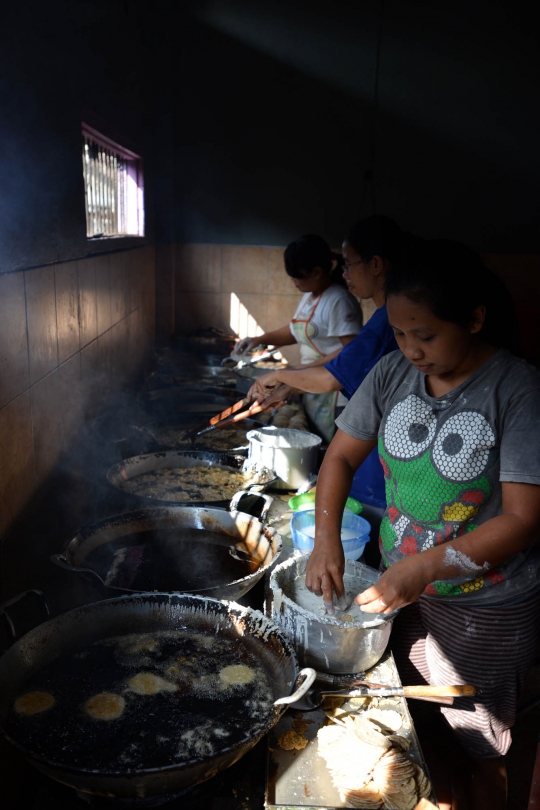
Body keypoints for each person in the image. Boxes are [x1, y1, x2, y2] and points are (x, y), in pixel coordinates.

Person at [305, 239, 540, 809]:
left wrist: (426, 566)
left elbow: (523, 518)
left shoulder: (517, 389)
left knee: (481, 743)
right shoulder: (391, 375)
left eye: (426, 335)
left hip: (487, 608)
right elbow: (337, 458)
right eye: (402, 334)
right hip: (405, 593)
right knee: (415, 724)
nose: (411, 349)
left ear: (475, 318)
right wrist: (325, 540)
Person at [247, 215, 411, 523]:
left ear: (376, 264)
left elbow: (334, 374)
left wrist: (283, 374)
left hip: (382, 452)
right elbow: (343, 363)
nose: (344, 272)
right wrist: (290, 383)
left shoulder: (389, 320)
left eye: (349, 264)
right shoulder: (382, 317)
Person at [235, 234, 362, 442]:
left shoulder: (339, 300)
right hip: (309, 382)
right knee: (311, 441)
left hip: (336, 392)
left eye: (297, 276)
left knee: (327, 447)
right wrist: (258, 339)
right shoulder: (309, 296)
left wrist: (297, 371)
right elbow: (296, 330)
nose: (294, 282)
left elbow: (352, 350)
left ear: (317, 272)